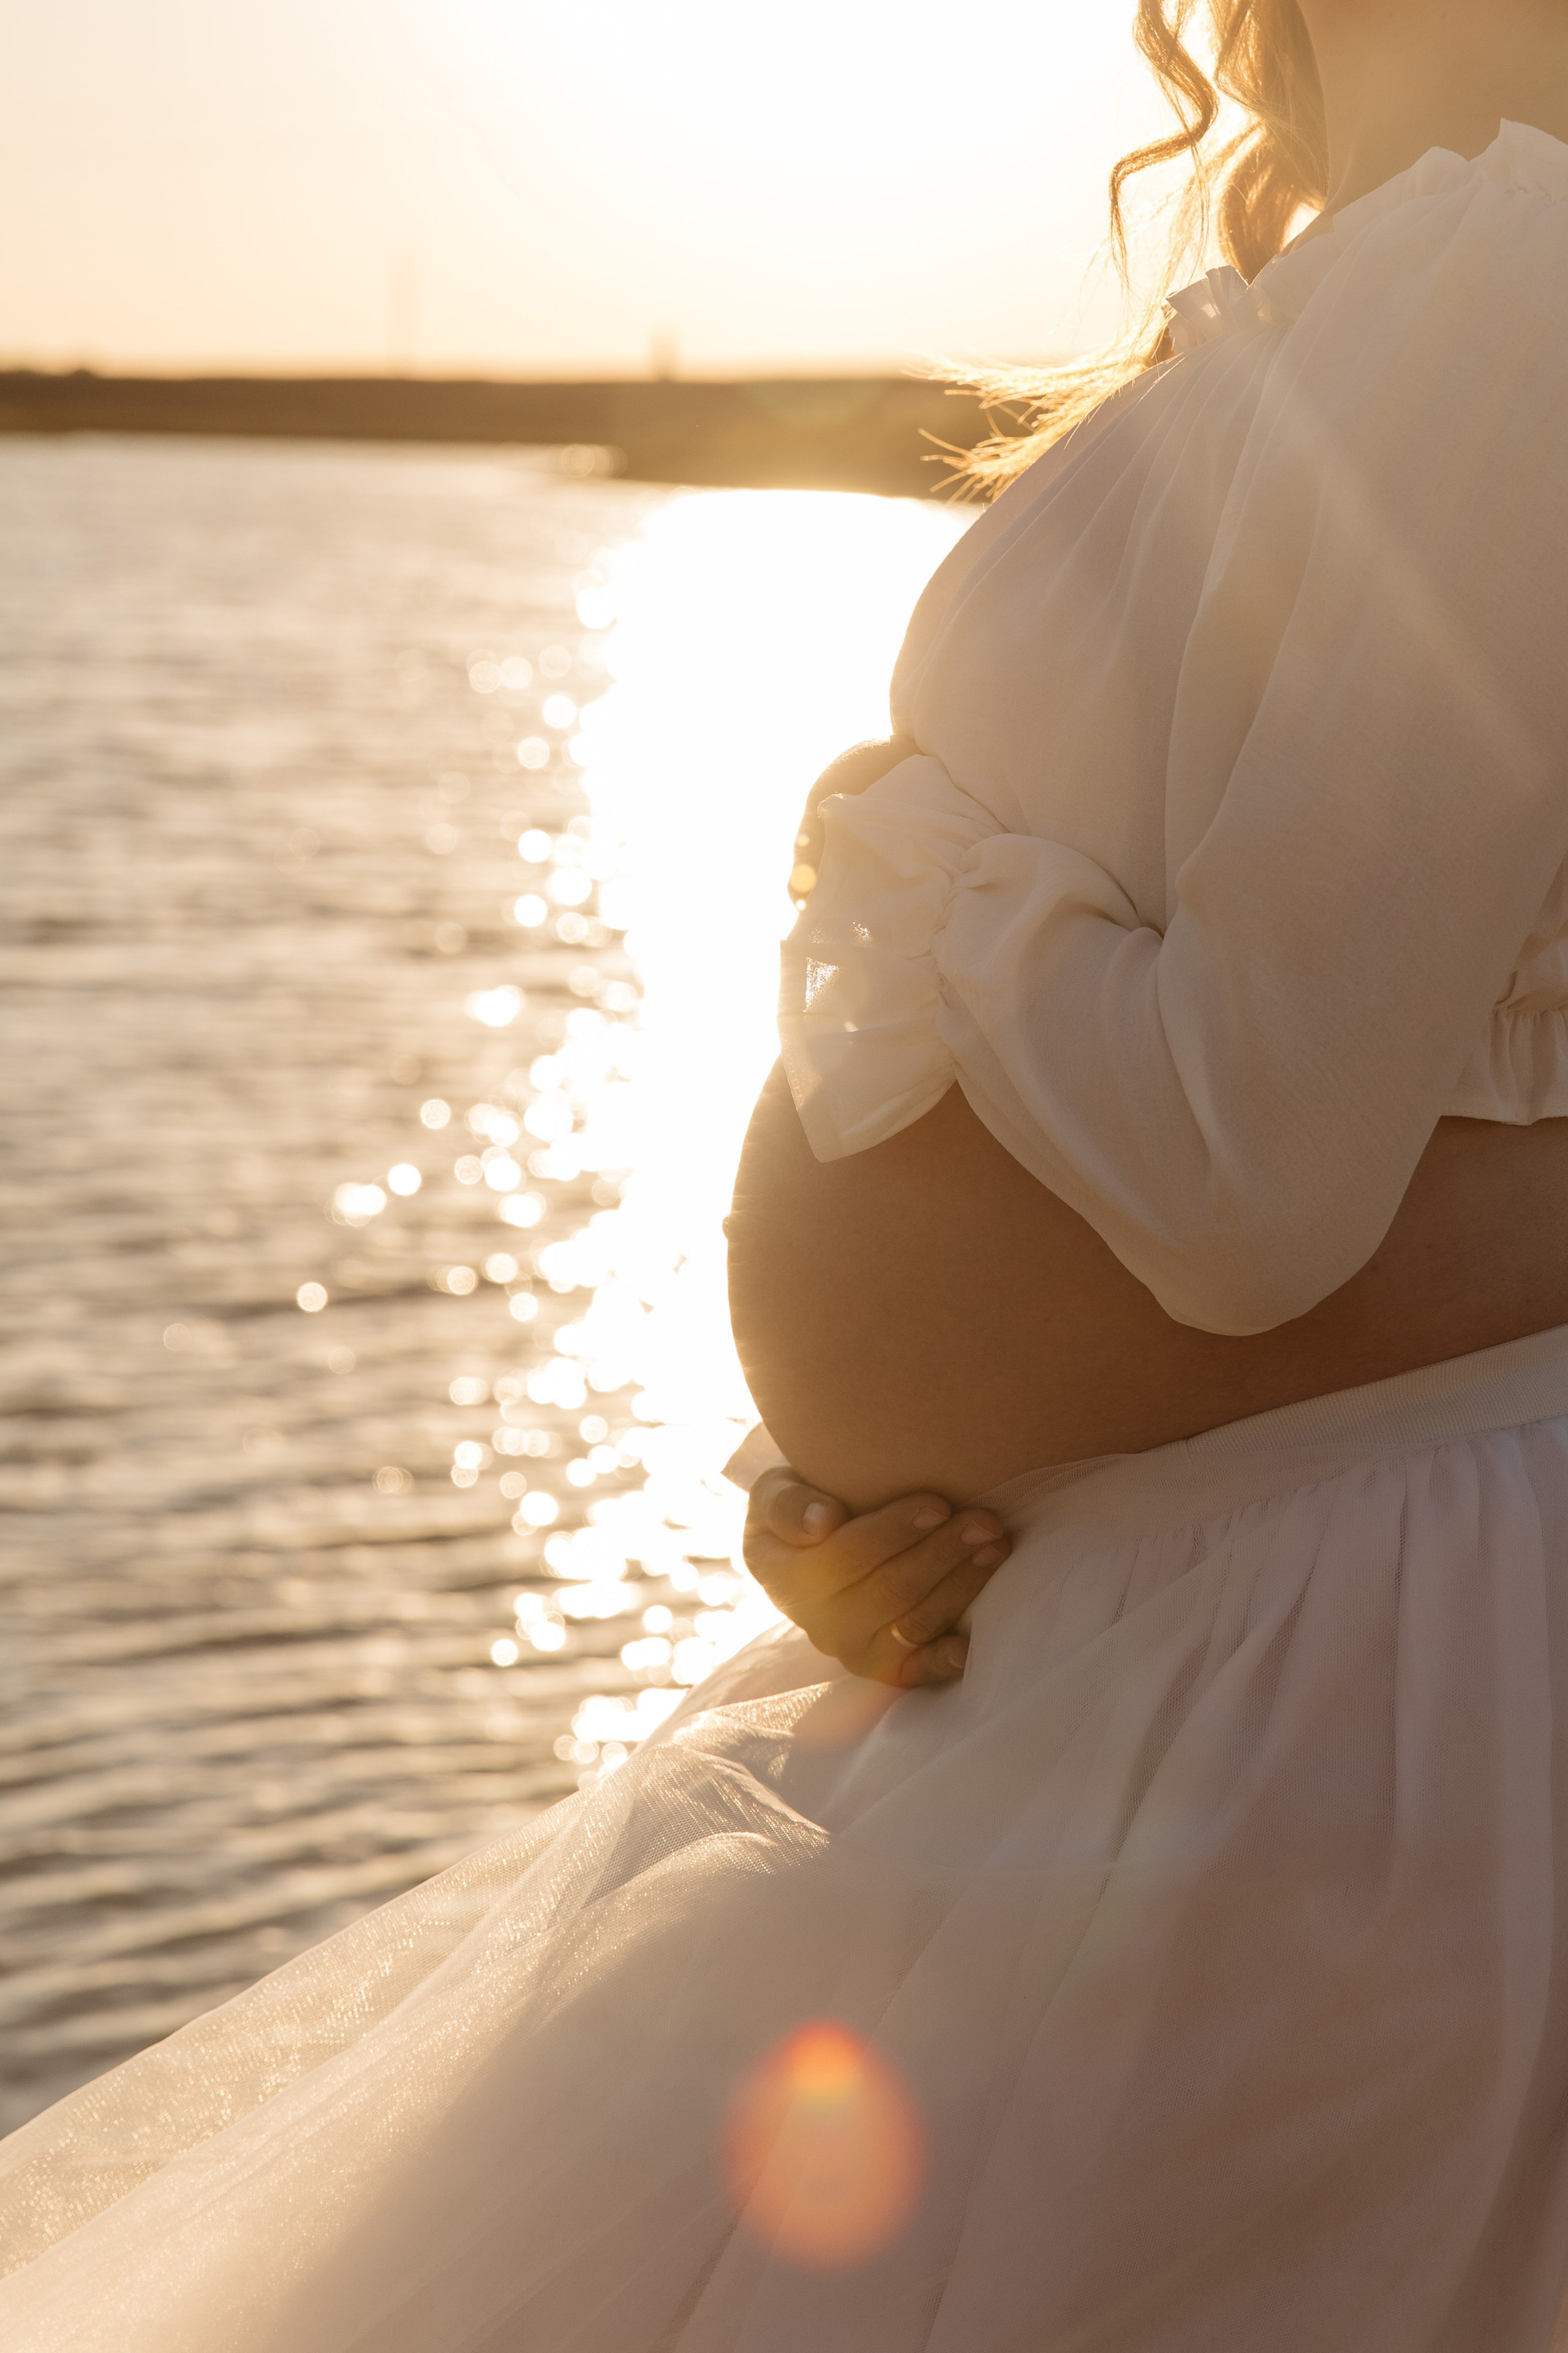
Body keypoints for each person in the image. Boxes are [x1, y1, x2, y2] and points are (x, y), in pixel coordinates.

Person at [5, 2, 1568, 2345]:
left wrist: (906, 854)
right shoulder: (1392, 287)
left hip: (1319, 1665)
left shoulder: (1514, 282)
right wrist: (839, 1447)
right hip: (1111, 1591)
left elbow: (1255, 1162)